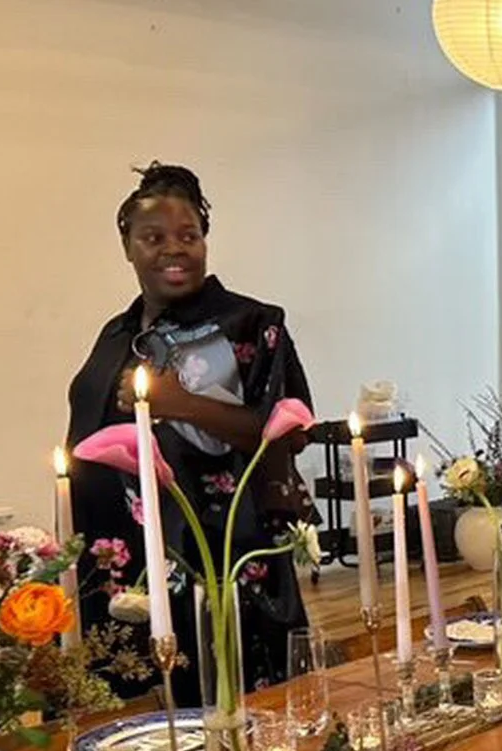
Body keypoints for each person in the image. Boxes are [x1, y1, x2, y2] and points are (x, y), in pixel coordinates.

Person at [66, 163, 316, 700]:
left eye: (189, 236)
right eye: (153, 238)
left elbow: (288, 432)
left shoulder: (253, 323)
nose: (173, 250)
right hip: (127, 563)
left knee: (239, 707)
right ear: (127, 246)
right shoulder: (117, 333)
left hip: (222, 555)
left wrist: (182, 404)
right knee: (148, 724)